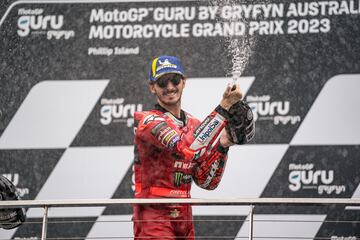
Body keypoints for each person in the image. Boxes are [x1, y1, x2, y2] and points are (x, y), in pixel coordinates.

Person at [132, 55, 246, 239]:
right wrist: (224, 106)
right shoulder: (147, 120)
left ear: (183, 82)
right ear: (152, 87)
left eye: (175, 80)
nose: (170, 87)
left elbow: (206, 182)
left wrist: (223, 144)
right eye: (162, 82)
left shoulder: (195, 124)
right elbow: (185, 147)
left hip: (184, 213)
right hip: (153, 212)